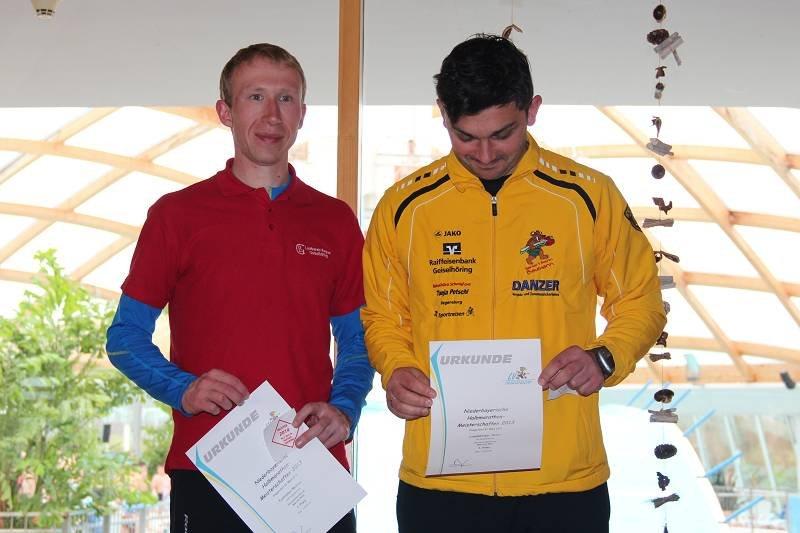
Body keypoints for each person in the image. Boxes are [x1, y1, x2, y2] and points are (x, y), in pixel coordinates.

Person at [361, 34, 667, 533]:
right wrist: (395, 369)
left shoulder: (589, 197)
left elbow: (640, 301)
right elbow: (383, 317)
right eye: (466, 136)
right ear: (443, 115)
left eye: (502, 134)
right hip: (440, 483)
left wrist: (604, 358)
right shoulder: (404, 207)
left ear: (532, 110)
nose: (484, 153)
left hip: (564, 484)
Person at [107, 43, 373, 533]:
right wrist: (184, 389)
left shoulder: (335, 221)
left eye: (286, 99)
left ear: (302, 114)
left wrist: (345, 408)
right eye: (255, 97)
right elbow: (124, 339)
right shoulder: (176, 216)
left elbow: (357, 339)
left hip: (311, 469)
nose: (272, 115)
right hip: (209, 469)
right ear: (225, 112)